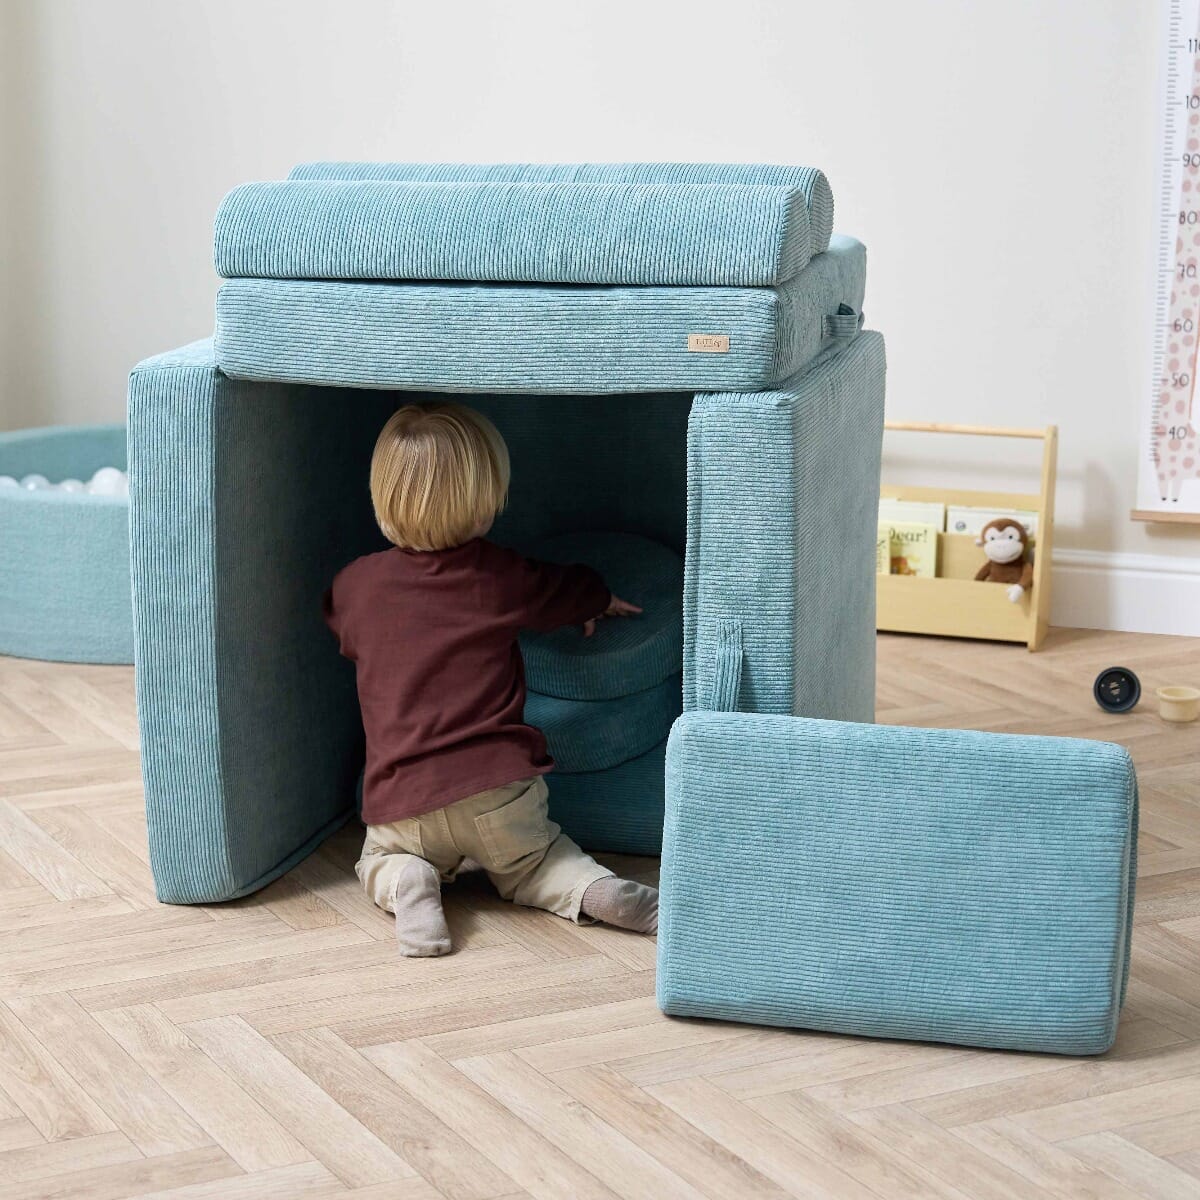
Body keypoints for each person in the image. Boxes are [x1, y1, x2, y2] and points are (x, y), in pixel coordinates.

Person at [323, 402, 660, 956]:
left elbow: (338, 620)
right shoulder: (500, 575)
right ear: (485, 508)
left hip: (401, 802)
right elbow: (563, 587)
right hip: (498, 794)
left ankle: (408, 884)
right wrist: (596, 597)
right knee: (538, 864)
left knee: (377, 860)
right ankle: (593, 890)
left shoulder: (354, 587)